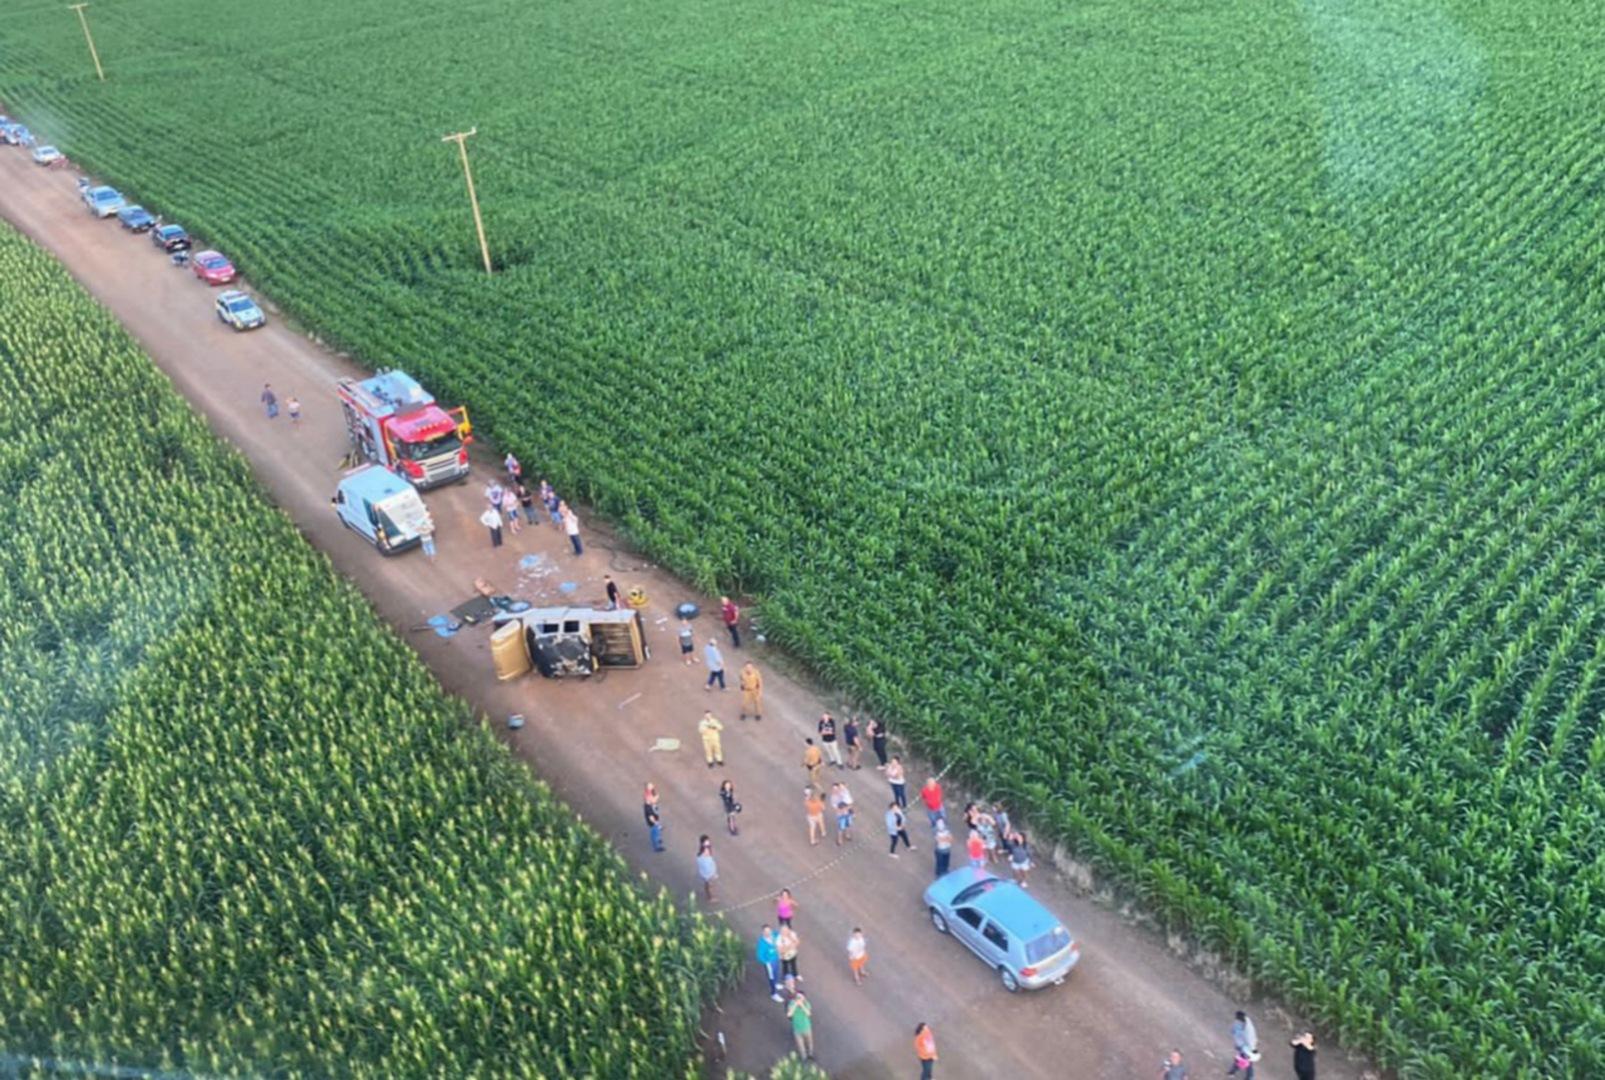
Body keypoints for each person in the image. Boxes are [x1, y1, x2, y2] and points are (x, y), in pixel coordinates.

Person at [756, 926, 783, 1003]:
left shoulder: (774, 935)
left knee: (776, 972)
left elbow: (780, 934)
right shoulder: (762, 943)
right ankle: (774, 993)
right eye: (766, 931)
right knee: (771, 977)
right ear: (763, 932)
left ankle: (776, 983)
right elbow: (760, 955)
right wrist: (766, 961)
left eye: (769, 931)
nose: (768, 933)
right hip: (769, 962)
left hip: (776, 959)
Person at [1229, 1012, 1259, 1076]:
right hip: (1247, 1047)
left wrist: (1240, 1046)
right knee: (1244, 1061)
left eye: (1237, 1018)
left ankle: (1233, 1072)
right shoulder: (1245, 1023)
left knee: (1245, 1062)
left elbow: (1245, 1038)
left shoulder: (1247, 1028)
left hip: (1247, 1048)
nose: (1236, 1019)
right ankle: (1233, 1072)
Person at [787, 991, 814, 1061]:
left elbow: (808, 1014)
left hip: (807, 1028)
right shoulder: (792, 1003)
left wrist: (801, 1005)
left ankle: (810, 1054)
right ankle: (804, 1058)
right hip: (797, 1030)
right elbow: (789, 1015)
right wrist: (795, 1004)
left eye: (800, 997)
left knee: (809, 1042)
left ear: (804, 998)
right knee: (800, 1046)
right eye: (797, 996)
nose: (798, 998)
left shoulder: (806, 1004)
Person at [695, 836, 717, 902]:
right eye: (706, 841)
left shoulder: (703, 850)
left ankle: (709, 895)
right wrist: (712, 873)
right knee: (710, 885)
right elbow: (707, 864)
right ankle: (710, 898)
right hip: (708, 873)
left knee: (707, 884)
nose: (708, 842)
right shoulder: (706, 851)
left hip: (705, 872)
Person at [643, 784, 664, 853]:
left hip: (654, 822)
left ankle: (658, 840)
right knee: (654, 834)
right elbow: (651, 818)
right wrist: (657, 824)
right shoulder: (648, 808)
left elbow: (653, 798)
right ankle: (657, 847)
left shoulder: (650, 804)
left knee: (656, 832)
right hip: (653, 824)